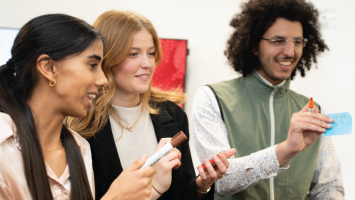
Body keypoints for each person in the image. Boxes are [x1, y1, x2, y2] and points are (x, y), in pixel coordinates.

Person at [66, 10, 235, 200]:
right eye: (133, 54)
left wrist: (202, 185)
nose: (147, 63)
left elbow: (182, 193)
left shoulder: (173, 115)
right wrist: (154, 188)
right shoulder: (79, 123)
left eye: (151, 53)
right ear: (106, 58)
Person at [191, 0, 344, 200]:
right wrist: (285, 150)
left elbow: (329, 187)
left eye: (297, 41)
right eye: (278, 41)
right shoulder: (212, 98)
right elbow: (222, 180)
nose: (290, 52)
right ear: (254, 45)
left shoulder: (311, 110)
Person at [0, 13, 156, 200]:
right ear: (49, 68)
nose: (103, 80)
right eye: (92, 65)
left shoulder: (80, 149)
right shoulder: (4, 144)